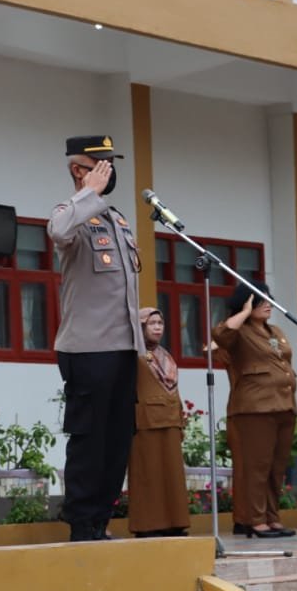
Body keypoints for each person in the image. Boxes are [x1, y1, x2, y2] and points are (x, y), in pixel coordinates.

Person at [48, 135, 143, 542]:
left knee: (118, 439)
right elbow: (57, 230)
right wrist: (90, 193)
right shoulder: (71, 214)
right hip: (88, 350)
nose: (110, 171)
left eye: (111, 164)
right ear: (78, 170)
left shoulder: (117, 221)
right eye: (101, 164)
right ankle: (82, 524)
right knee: (89, 440)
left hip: (123, 348)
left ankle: (101, 519)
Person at [212, 282, 297, 537]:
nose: (268, 304)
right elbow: (221, 335)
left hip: (283, 405)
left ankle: (271, 516)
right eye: (261, 301)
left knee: (275, 467)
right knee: (255, 466)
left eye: (269, 299)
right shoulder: (239, 331)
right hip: (254, 408)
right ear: (246, 304)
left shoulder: (275, 331)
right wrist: (244, 311)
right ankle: (252, 519)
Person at [126, 308, 190, 537]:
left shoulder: (166, 355)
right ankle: (148, 525)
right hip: (146, 421)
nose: (157, 327)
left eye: (160, 323)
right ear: (140, 327)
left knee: (172, 474)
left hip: (170, 419)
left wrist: (180, 417)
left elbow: (174, 390)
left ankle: (176, 522)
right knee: (148, 474)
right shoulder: (133, 354)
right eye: (151, 323)